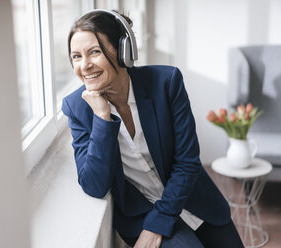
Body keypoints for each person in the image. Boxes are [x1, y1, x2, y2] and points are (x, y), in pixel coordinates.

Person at [62, 9, 244, 248]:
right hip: (142, 213)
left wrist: (159, 221)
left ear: (123, 51)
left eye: (94, 52)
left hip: (192, 199)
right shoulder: (77, 107)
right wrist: (102, 117)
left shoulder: (166, 82)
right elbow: (94, 186)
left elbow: (187, 162)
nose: (84, 66)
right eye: (76, 56)